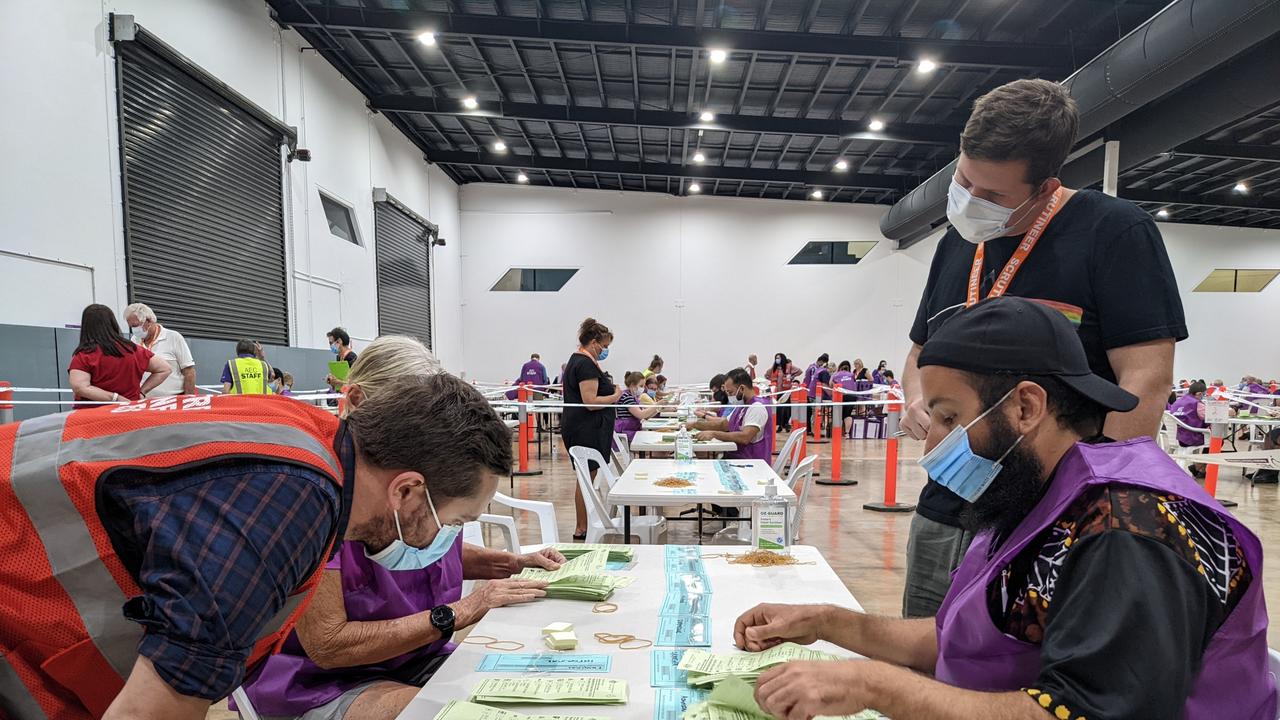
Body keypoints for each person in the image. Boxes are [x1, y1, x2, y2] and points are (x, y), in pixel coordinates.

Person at [734, 298, 1272, 720]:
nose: (931, 446)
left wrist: (873, 685)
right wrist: (826, 621)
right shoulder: (1037, 494)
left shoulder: (1129, 530)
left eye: (947, 418)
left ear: (1025, 407)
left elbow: (1088, 712)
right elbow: (960, 637)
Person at [0, 367, 513, 720]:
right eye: (454, 521)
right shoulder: (284, 507)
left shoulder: (304, 440)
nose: (446, 539)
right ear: (407, 490)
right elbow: (153, 707)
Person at [898, 78, 1186, 618]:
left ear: (1047, 185)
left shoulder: (1114, 232)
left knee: (1022, 675)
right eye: (964, 182)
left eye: (994, 196)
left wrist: (1089, 506)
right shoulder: (956, 244)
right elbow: (918, 352)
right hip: (946, 504)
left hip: (1051, 511)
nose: (972, 203)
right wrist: (919, 400)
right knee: (926, 662)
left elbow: (1146, 378)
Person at [243, 336, 561, 720]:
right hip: (320, 681)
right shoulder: (325, 504)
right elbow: (328, 644)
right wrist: (461, 610)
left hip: (413, 656)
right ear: (359, 403)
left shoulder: (423, 489)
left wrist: (511, 563)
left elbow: (429, 548)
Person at [560, 318, 622, 539]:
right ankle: (582, 526)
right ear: (594, 342)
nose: (605, 351)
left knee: (586, 477)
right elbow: (590, 400)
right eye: (604, 347)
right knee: (585, 478)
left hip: (585, 427)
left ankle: (585, 523)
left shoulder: (583, 361)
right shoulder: (584, 364)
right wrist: (615, 396)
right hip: (585, 428)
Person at [69, 303, 173, 408]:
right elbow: (165, 369)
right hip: (129, 412)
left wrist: (115, 398)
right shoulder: (134, 350)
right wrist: (142, 392)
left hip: (94, 417)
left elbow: (79, 387)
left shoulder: (84, 355)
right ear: (113, 323)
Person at [694, 368, 774, 461]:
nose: (729, 396)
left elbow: (745, 437)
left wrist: (713, 434)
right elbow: (723, 424)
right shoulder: (741, 406)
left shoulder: (757, 407)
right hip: (737, 458)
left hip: (751, 462)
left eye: (730, 392)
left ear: (742, 388)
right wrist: (696, 425)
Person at [124, 303, 196, 397]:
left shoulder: (173, 337)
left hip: (173, 400)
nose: (134, 330)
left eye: (136, 325)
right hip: (144, 399)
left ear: (149, 321)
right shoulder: (134, 340)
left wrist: (188, 400)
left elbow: (189, 371)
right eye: (131, 327)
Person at [1169, 380, 1209, 478]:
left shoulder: (1178, 401)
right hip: (1193, 438)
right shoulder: (1198, 404)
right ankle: (1199, 467)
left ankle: (1198, 467)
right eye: (1204, 394)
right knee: (1217, 441)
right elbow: (1210, 417)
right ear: (1199, 394)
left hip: (1178, 438)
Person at [615, 370, 660, 442]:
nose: (643, 388)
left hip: (632, 430)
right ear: (633, 385)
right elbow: (641, 415)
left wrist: (658, 408)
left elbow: (646, 415)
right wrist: (657, 405)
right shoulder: (626, 397)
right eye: (641, 386)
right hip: (627, 432)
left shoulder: (634, 397)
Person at [768, 353, 801, 432]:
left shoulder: (789, 367)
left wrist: (792, 377)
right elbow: (767, 374)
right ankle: (779, 425)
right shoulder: (774, 368)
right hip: (777, 392)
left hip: (786, 391)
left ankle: (785, 424)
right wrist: (772, 381)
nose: (777, 359)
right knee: (779, 409)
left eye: (778, 358)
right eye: (776, 358)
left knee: (786, 408)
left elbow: (799, 371)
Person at [325, 327, 359, 393]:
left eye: (331, 343)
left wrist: (339, 382)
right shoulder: (339, 358)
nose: (330, 346)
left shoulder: (352, 358)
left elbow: (356, 382)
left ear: (339, 341)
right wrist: (332, 380)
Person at [831, 361, 858, 438]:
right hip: (852, 396)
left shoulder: (836, 375)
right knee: (848, 414)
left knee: (838, 414)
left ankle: (837, 433)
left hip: (841, 396)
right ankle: (847, 433)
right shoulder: (852, 375)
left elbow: (831, 384)